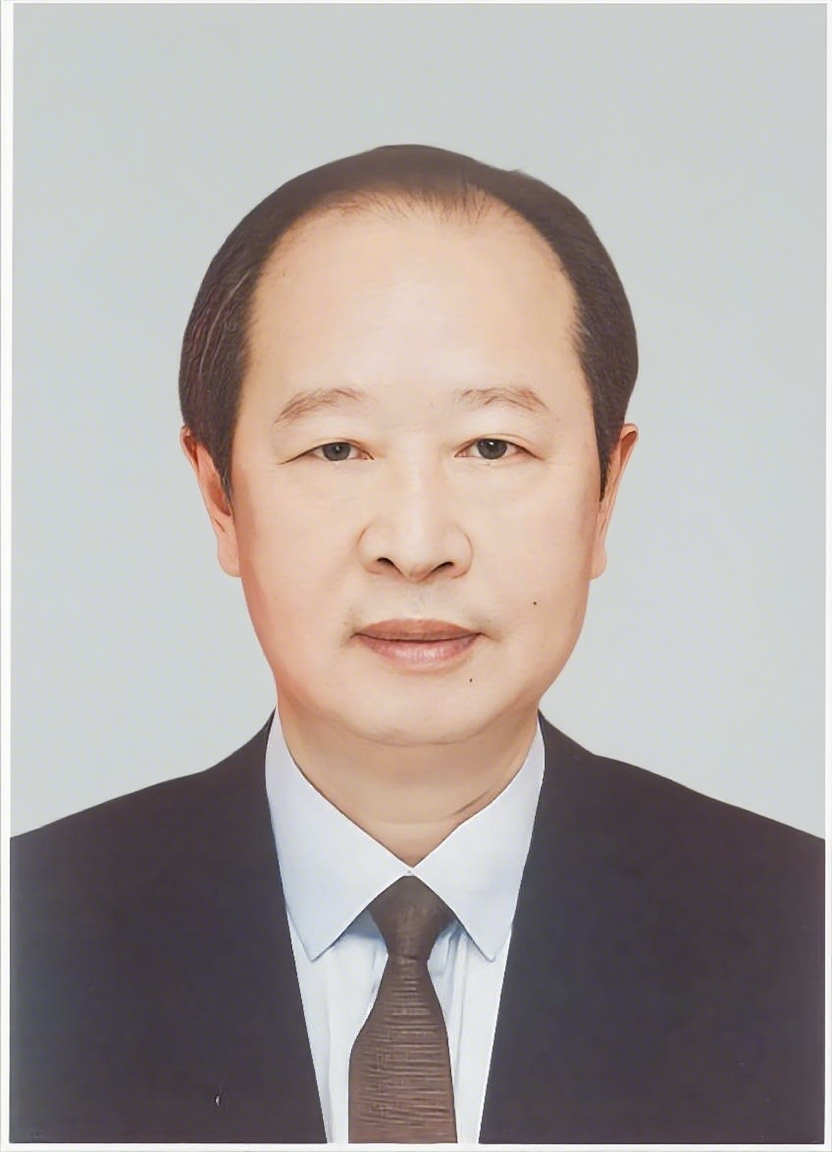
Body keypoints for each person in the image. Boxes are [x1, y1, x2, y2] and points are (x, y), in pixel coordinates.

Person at [10, 145, 824, 1145]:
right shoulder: (31, 935)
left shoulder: (802, 931)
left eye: (492, 446)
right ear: (219, 496)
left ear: (605, 492)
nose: (416, 542)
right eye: (336, 448)